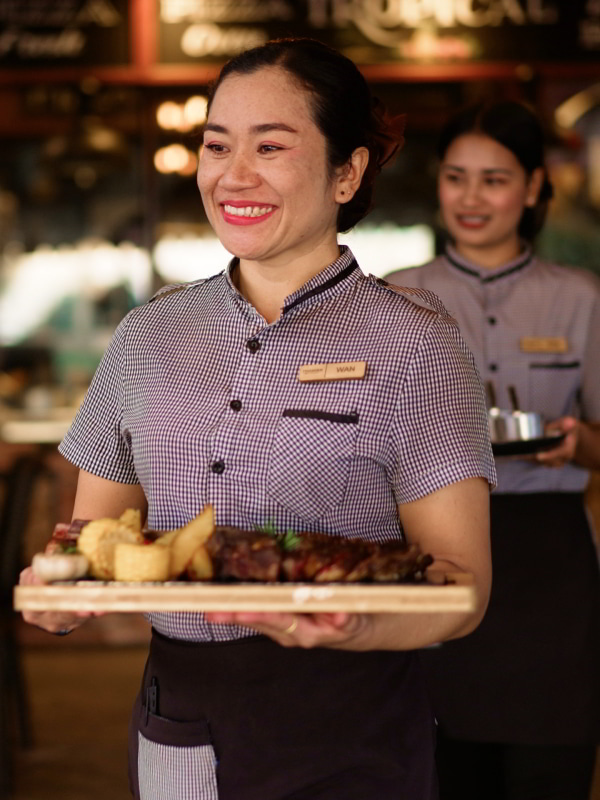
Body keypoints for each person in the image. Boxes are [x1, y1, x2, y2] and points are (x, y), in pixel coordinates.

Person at [19, 39, 495, 800]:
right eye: (216, 146)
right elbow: (95, 540)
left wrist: (357, 626)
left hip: (348, 729)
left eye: (271, 146)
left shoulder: (415, 344)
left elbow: (462, 591)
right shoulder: (147, 335)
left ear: (348, 171)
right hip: (177, 719)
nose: (234, 174)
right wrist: (66, 594)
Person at [387, 100, 600, 800]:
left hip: (548, 567)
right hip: (431, 554)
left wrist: (578, 446)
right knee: (444, 769)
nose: (472, 198)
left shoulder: (583, 300)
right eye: (456, 177)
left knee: (552, 771)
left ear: (536, 187)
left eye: (495, 179)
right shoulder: (394, 300)